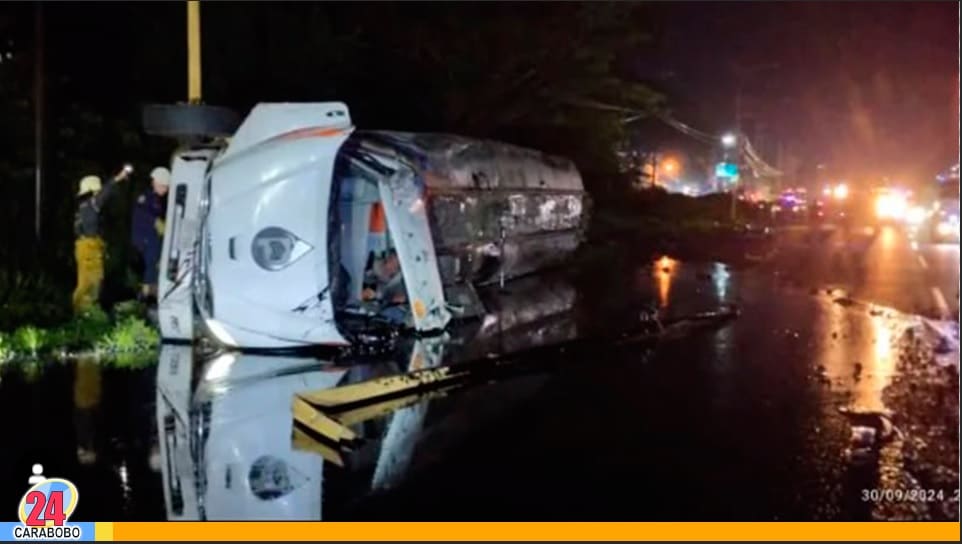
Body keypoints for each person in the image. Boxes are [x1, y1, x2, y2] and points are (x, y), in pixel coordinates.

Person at [72, 166, 131, 313]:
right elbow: (106, 192)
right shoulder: (91, 205)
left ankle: (83, 312)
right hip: (89, 247)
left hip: (85, 246)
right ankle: (83, 312)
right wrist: (120, 176)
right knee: (90, 282)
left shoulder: (83, 207)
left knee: (89, 281)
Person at [131, 166, 170, 303]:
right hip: (145, 237)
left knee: (156, 263)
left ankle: (153, 291)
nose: (165, 190)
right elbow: (140, 214)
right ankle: (146, 295)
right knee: (151, 263)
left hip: (153, 237)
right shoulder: (145, 197)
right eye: (163, 186)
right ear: (155, 182)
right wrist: (155, 221)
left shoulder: (157, 199)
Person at [361, 249, 409, 323]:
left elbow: (400, 302)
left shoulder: (400, 282)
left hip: (381, 313)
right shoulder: (372, 266)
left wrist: (399, 300)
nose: (392, 265)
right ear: (388, 258)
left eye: (396, 264)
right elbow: (365, 295)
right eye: (391, 259)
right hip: (363, 309)